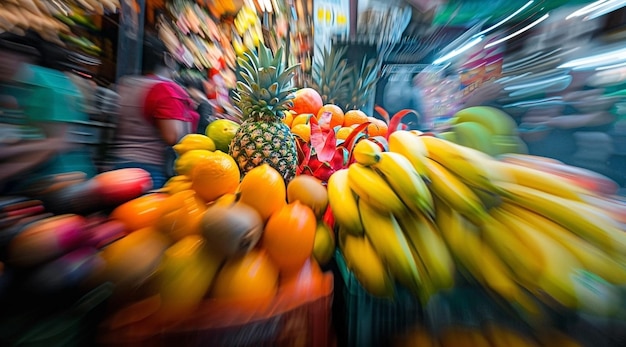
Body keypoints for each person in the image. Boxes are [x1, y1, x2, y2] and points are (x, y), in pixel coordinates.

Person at [110, 31, 199, 189]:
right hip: (147, 173)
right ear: (166, 58)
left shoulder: (125, 84)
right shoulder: (164, 89)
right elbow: (172, 136)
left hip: (117, 165)